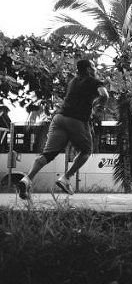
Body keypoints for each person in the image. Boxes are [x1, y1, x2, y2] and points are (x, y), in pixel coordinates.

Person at [16, 60, 109, 200]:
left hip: (59, 118)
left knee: (48, 154)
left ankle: (27, 179)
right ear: (89, 69)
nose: (95, 70)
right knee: (86, 151)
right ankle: (66, 177)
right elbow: (104, 95)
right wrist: (99, 109)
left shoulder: (73, 82)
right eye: (94, 67)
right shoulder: (94, 81)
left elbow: (83, 97)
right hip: (76, 120)